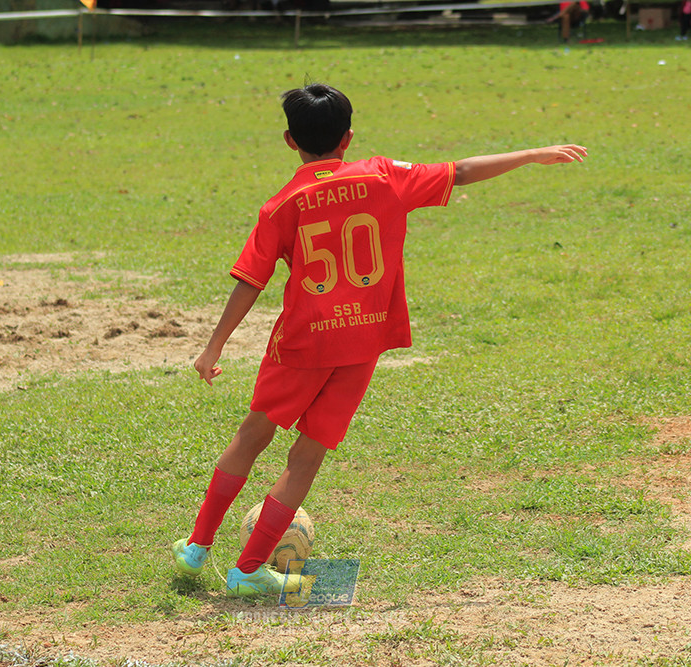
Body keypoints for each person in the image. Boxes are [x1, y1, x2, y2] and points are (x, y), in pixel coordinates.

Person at [172, 83, 587, 598]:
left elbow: (249, 280)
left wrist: (213, 346)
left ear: (289, 140)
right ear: (348, 138)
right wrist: (531, 154)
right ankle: (249, 571)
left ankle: (197, 546)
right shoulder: (385, 176)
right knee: (306, 457)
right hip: (360, 344)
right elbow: (463, 170)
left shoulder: (281, 204)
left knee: (252, 436)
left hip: (303, 344)